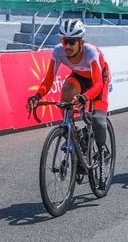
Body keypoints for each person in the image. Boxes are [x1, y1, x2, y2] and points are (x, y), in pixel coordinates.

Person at [26, 18, 111, 180]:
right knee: (66, 94)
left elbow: (98, 83)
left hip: (99, 80)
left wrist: (85, 97)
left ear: (80, 42)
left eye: (72, 42)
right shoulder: (58, 51)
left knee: (98, 121)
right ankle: (76, 136)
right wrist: (37, 96)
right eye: (64, 41)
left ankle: (100, 155)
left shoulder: (91, 52)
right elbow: (49, 79)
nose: (67, 46)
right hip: (79, 77)